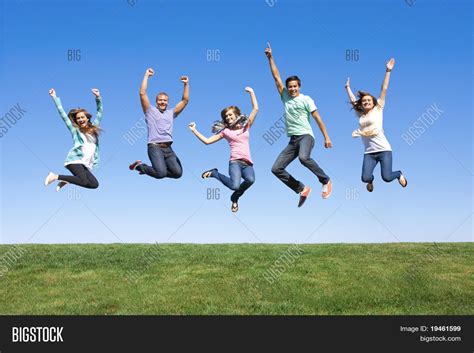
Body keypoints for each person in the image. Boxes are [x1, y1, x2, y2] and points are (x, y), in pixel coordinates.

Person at [264, 42, 333, 207]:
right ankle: (301, 189)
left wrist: (326, 136)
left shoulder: (306, 99)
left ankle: (326, 181)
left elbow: (318, 118)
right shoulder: (285, 97)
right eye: (290, 87)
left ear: (299, 87)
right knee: (276, 168)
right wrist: (270, 58)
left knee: (303, 158)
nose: (292, 89)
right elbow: (276, 77)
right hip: (293, 140)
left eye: (295, 86)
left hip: (306, 136)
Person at [188, 87, 259, 212]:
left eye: (230, 114)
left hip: (248, 163)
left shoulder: (246, 126)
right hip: (235, 162)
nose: (228, 117)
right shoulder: (225, 132)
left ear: (236, 114)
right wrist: (194, 130)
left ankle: (235, 198)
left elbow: (255, 109)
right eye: (226, 116)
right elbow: (207, 141)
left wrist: (252, 93)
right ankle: (215, 173)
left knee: (251, 180)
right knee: (234, 185)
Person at [345, 58, 407, 192]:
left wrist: (388, 71)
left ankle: (399, 173)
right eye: (364, 101)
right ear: (362, 104)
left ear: (373, 102)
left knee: (387, 177)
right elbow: (353, 101)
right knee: (365, 177)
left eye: (369, 100)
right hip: (369, 152)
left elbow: (384, 88)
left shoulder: (378, 108)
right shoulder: (360, 115)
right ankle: (370, 181)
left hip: (384, 150)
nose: (366, 102)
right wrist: (347, 88)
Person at [129, 68, 189, 179]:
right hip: (155, 147)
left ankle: (151, 170)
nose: (163, 102)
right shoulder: (150, 110)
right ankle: (140, 166)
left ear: (168, 102)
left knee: (177, 173)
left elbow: (185, 101)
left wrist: (186, 84)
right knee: (160, 174)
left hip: (169, 149)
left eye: (165, 100)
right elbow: (142, 93)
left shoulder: (171, 113)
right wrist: (146, 75)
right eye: (160, 100)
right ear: (156, 101)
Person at [44, 88, 103, 191]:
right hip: (75, 160)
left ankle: (68, 180)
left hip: (85, 163)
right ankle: (55, 176)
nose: (80, 120)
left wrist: (98, 97)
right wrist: (54, 98)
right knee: (84, 181)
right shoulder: (75, 130)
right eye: (78, 118)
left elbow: (100, 112)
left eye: (82, 117)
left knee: (94, 184)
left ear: (87, 118)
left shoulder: (94, 127)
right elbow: (63, 115)